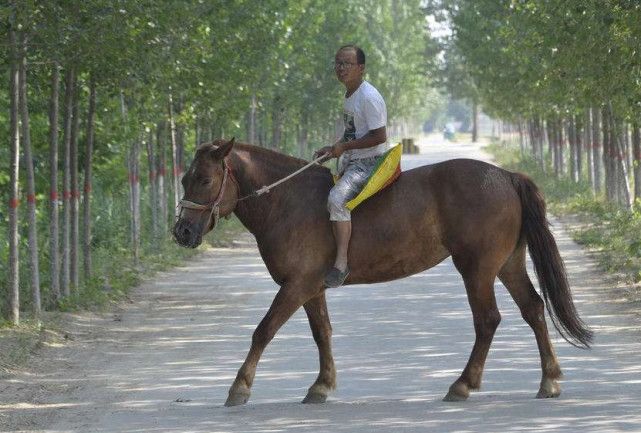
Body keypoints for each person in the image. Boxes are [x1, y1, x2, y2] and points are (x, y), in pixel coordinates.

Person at [314, 44, 388, 288]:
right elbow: (351, 132)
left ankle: (341, 264)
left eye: (346, 63)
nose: (341, 68)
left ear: (361, 68)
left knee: (336, 200)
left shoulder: (369, 97)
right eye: (338, 63)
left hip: (369, 161)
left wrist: (344, 149)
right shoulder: (349, 95)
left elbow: (379, 137)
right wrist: (332, 148)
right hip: (353, 156)